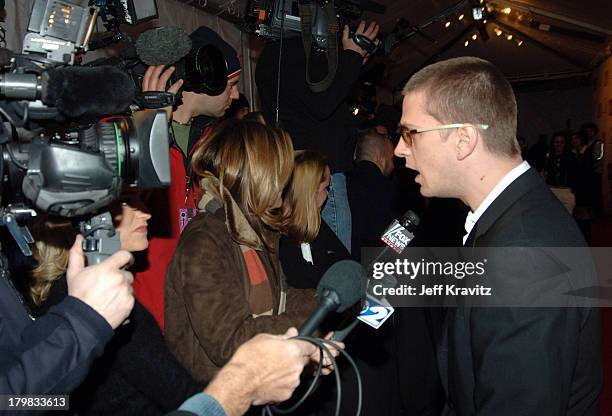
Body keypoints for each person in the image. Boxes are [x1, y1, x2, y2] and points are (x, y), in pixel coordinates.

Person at [394, 56, 601, 415]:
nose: (400, 149)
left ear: (463, 139)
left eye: (411, 133)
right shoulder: (510, 214)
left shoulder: (523, 255)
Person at [20, 195, 204, 415]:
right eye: (125, 203)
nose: (146, 213)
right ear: (81, 217)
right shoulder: (103, 303)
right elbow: (181, 394)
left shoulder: (58, 294)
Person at [165, 120, 319, 382]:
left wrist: (329, 300)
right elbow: (231, 342)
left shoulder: (247, 230)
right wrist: (314, 318)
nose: (286, 182)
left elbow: (281, 300)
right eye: (279, 174)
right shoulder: (205, 241)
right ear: (257, 176)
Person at [135, 26, 241, 331]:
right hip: (146, 312)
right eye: (231, 85)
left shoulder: (207, 141)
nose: (235, 95)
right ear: (204, 82)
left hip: (188, 307)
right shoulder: (142, 127)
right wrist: (149, 125)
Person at [256, 20, 380, 253]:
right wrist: (351, 58)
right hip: (320, 175)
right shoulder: (296, 53)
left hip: (307, 172)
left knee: (316, 256)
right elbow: (322, 104)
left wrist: (348, 63)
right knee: (333, 260)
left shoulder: (279, 53)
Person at [279, 150, 351, 289]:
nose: (328, 194)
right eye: (325, 188)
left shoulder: (315, 226)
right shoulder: (281, 241)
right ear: (309, 192)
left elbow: (347, 264)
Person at [349, 129, 396, 256]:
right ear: (381, 158)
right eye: (391, 159)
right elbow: (396, 241)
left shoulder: (344, 185)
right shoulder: (386, 188)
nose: (393, 165)